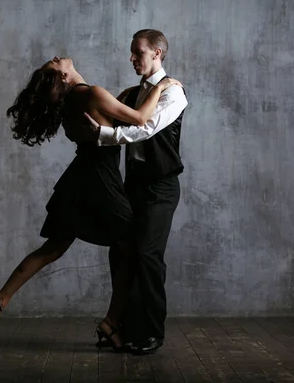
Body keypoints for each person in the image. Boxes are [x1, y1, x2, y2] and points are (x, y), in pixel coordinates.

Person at [0, 56, 178, 352]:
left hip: (78, 178)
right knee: (131, 247)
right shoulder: (92, 94)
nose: (56, 59)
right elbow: (140, 119)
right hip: (100, 181)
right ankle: (111, 322)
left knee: (53, 248)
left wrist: (121, 97)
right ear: (64, 77)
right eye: (52, 67)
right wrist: (162, 87)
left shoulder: (74, 101)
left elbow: (115, 115)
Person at [68, 29, 188, 355]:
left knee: (148, 256)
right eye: (131, 53)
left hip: (160, 188)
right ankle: (122, 328)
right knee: (123, 253)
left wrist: (103, 135)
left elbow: (144, 128)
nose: (132, 58)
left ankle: (152, 333)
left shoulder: (173, 93)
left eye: (138, 52)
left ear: (157, 54)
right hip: (133, 185)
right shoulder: (133, 92)